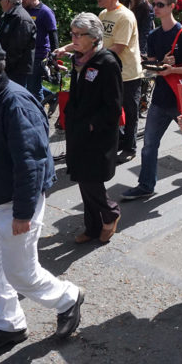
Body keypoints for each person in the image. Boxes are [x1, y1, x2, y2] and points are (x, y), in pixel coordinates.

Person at [0, 37, 84, 355]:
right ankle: (9, 325)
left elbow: (33, 163)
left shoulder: (15, 102)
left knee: (21, 273)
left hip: (15, 203)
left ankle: (68, 298)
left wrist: (23, 213)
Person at [120, 0, 182, 199]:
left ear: (171, 7)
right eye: (154, 4)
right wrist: (160, 64)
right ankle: (146, 185)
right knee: (149, 145)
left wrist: (174, 69)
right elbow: (151, 66)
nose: (155, 8)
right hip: (160, 99)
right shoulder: (154, 35)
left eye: (160, 5)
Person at [62, 14, 123, 245]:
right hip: (78, 129)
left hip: (97, 134)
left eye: (79, 35)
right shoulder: (79, 59)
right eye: (73, 34)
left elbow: (114, 105)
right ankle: (92, 226)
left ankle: (110, 212)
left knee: (91, 180)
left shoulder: (107, 62)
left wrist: (92, 124)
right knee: (81, 176)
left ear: (94, 37)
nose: (74, 38)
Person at [94, 0, 142, 163]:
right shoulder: (103, 15)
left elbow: (118, 47)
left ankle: (130, 147)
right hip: (109, 72)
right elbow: (97, 42)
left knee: (130, 112)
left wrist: (93, 56)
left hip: (128, 73)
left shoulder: (125, 16)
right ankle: (118, 141)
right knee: (111, 110)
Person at [20, 0, 59, 106]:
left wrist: (54, 56)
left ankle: (39, 116)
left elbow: (53, 34)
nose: (22, 0)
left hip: (39, 55)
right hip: (24, 54)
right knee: (28, 84)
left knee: (34, 87)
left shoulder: (45, 12)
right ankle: (52, 98)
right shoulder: (23, 9)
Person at [0, 0, 36, 87]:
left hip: (15, 71)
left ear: (7, 1)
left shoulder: (21, 18)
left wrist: (2, 66)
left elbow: (16, 49)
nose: (0, 2)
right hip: (6, 67)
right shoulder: (9, 15)